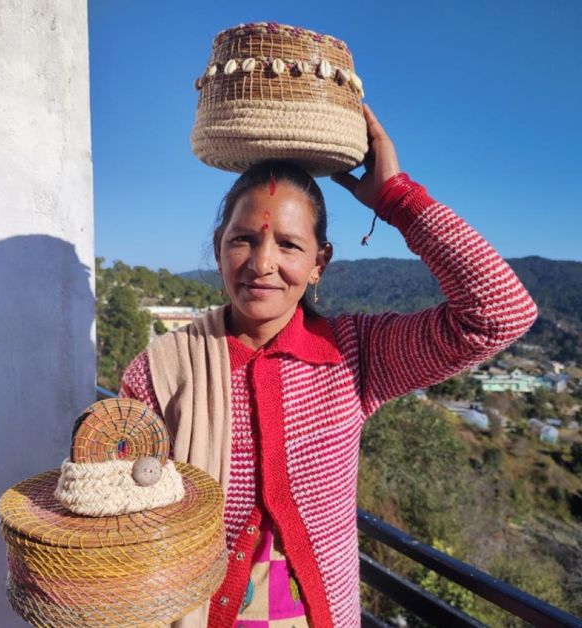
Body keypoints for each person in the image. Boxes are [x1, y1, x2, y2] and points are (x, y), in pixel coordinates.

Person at [118, 106, 537, 627]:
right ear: (219, 249)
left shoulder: (356, 355)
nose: (262, 263)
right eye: (242, 239)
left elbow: (500, 313)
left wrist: (398, 199)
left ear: (320, 263)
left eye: (289, 244)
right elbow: (120, 512)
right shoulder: (162, 371)